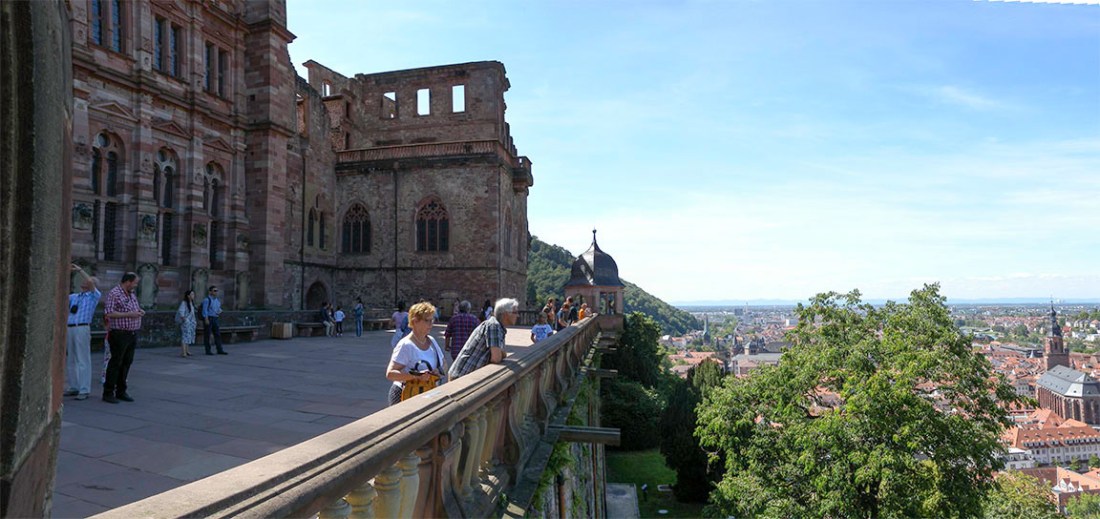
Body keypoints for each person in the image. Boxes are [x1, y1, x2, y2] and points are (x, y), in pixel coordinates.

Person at [385, 302, 447, 406]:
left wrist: (438, 371)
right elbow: (390, 374)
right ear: (415, 321)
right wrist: (416, 377)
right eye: (427, 320)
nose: (431, 324)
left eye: (432, 320)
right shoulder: (405, 345)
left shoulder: (431, 341)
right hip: (406, 395)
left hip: (428, 393)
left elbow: (444, 363)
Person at [448, 298, 519, 380]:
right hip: (460, 377)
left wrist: (501, 353)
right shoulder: (494, 326)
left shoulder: (497, 326)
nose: (518, 315)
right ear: (506, 314)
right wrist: (502, 353)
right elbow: (496, 358)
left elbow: (498, 354)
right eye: (515, 312)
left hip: (465, 375)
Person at [103, 272, 144, 403]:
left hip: (131, 333)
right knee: (116, 362)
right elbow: (109, 313)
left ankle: (121, 391)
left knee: (127, 363)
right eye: (135, 283)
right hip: (119, 333)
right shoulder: (114, 293)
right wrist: (130, 314)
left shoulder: (131, 294)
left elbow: (133, 309)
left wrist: (139, 312)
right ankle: (108, 392)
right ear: (128, 282)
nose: (136, 285)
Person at [64, 264, 101, 400]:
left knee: (82, 359)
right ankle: (73, 386)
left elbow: (91, 282)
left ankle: (84, 389)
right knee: (71, 359)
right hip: (70, 327)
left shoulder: (93, 296)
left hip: (82, 327)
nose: (84, 282)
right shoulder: (75, 296)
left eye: (86, 281)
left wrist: (80, 270)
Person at [202, 285, 227, 355]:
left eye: (216, 291)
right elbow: (204, 310)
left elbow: (218, 309)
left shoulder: (217, 300)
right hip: (209, 318)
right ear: (210, 292)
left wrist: (220, 311)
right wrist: (206, 319)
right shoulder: (207, 300)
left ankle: (219, 349)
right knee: (207, 335)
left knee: (217, 334)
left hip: (215, 318)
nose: (216, 292)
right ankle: (208, 350)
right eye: (214, 291)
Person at [175, 290, 197, 357]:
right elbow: (181, 312)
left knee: (189, 336)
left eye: (193, 294)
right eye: (192, 294)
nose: (193, 296)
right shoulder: (184, 303)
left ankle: (187, 351)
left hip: (191, 322)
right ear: (188, 296)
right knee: (185, 336)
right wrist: (185, 320)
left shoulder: (191, 303)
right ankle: (183, 352)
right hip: (186, 322)